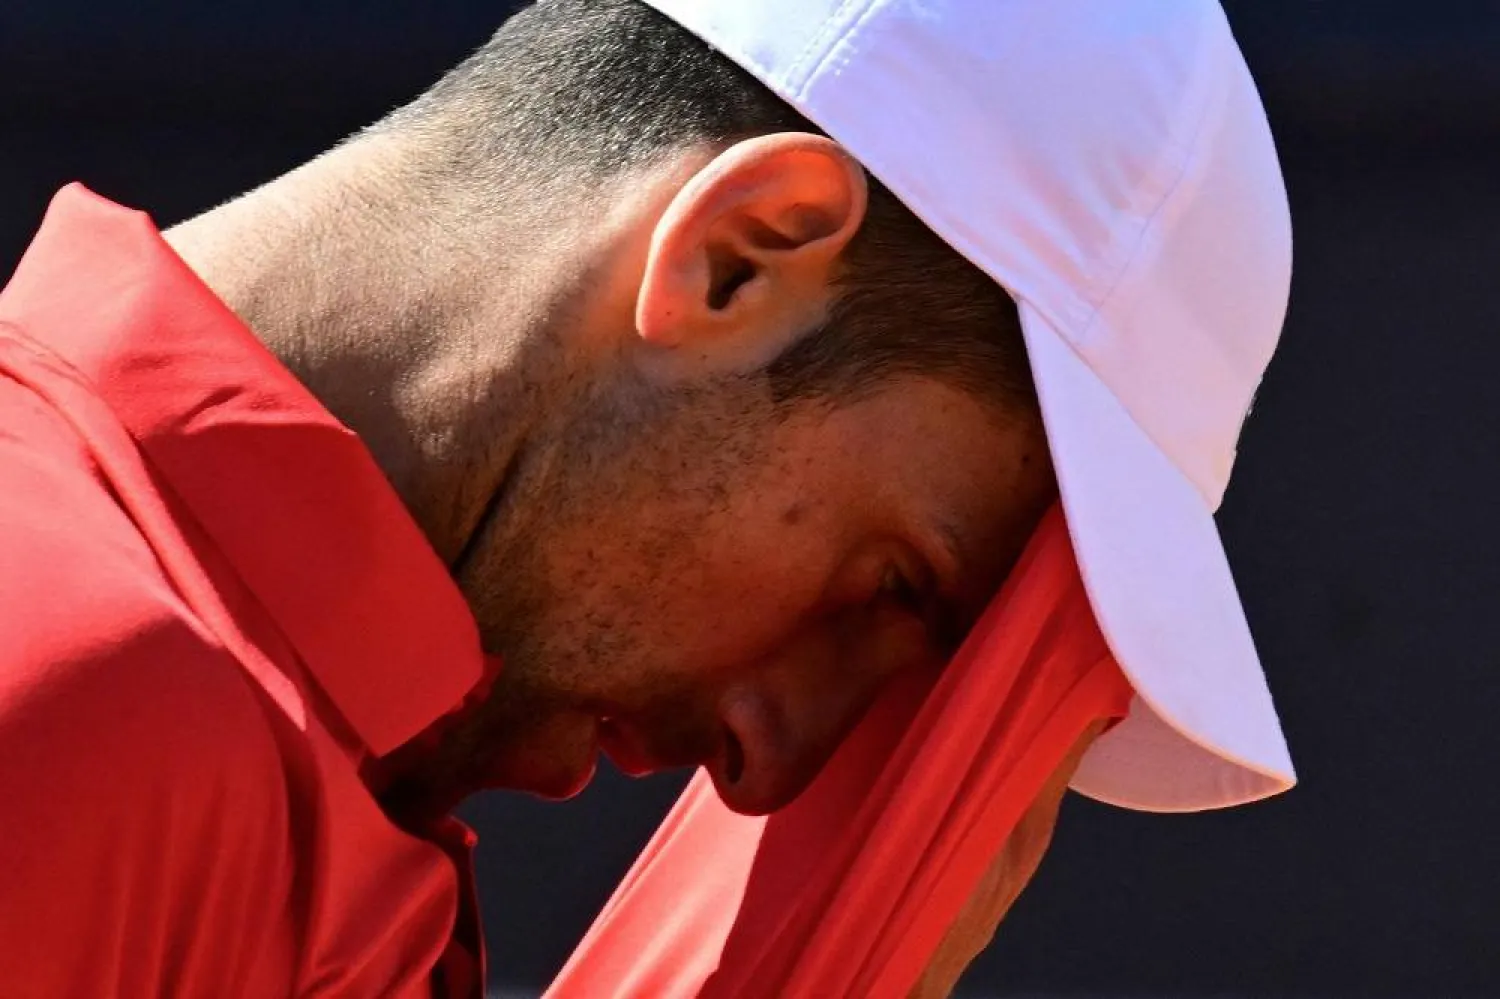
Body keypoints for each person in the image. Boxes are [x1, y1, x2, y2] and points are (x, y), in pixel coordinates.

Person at [0, 0, 1296, 995]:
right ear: (741, 259)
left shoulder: (205, 724)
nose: (768, 777)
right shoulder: (97, 694)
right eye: (894, 587)